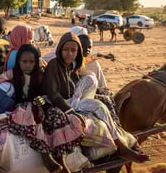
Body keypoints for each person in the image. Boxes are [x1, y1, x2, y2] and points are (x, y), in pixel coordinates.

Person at [43, 32, 149, 164]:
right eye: (66, 50)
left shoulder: (74, 66)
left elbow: (77, 85)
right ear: (59, 50)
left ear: (78, 52)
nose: (69, 53)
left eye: (73, 50)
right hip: (64, 104)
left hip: (75, 100)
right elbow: (54, 94)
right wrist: (70, 110)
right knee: (99, 106)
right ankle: (120, 147)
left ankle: (119, 140)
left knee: (93, 83)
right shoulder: (54, 64)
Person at [0, 44, 85, 173]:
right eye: (24, 62)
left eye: (31, 62)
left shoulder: (40, 74)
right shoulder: (14, 73)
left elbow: (48, 92)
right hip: (24, 105)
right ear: (19, 61)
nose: (28, 65)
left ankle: (60, 158)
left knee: (57, 115)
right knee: (35, 121)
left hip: (42, 102)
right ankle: (46, 158)